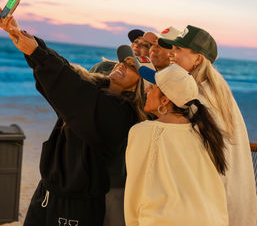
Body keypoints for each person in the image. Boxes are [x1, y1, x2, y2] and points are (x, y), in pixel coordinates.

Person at [0, 14, 147, 226]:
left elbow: (73, 91)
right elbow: (68, 72)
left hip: (77, 204)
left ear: (139, 85)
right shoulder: (96, 87)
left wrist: (36, 52)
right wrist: (23, 37)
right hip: (48, 191)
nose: (122, 66)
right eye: (123, 61)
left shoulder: (122, 114)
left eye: (132, 67)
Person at [158, 25, 257, 226]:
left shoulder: (197, 95)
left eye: (178, 50)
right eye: (173, 49)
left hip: (213, 195)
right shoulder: (215, 89)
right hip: (227, 192)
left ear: (198, 59)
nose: (172, 54)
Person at [125, 63, 228, 226]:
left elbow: (135, 189)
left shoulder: (143, 132)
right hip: (210, 219)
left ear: (165, 100)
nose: (146, 91)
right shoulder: (205, 133)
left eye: (152, 87)